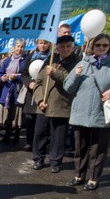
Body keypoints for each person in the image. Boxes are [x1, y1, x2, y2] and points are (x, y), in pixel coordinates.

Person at [63, 33, 110, 191]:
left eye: (105, 45)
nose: (101, 48)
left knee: (98, 149)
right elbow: (68, 87)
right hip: (80, 113)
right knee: (80, 148)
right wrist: (75, 74)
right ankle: (79, 175)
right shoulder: (83, 63)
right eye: (98, 45)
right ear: (92, 47)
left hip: (102, 115)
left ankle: (94, 178)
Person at [31, 35, 80, 173]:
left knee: (58, 136)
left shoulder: (76, 63)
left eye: (68, 46)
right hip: (44, 105)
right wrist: (40, 100)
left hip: (62, 105)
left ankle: (55, 161)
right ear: (57, 48)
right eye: (62, 46)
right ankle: (38, 158)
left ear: (73, 47)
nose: (65, 49)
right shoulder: (50, 59)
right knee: (40, 133)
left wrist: (55, 73)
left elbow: (71, 83)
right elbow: (39, 83)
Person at [19, 39, 51, 151]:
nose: (43, 45)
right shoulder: (31, 57)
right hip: (31, 92)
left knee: (41, 120)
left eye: (45, 43)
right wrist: (29, 83)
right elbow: (24, 74)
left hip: (44, 91)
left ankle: (41, 143)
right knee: (29, 118)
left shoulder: (51, 58)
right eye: (41, 43)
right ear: (37, 44)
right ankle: (29, 141)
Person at [0, 40, 29, 145]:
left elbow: (26, 75)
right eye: (17, 46)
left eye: (21, 47)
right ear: (14, 47)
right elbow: (0, 72)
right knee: (8, 113)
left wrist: (17, 77)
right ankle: (6, 134)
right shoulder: (8, 60)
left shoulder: (25, 60)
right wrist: (1, 78)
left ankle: (16, 135)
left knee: (17, 113)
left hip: (18, 89)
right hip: (7, 89)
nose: (19, 49)